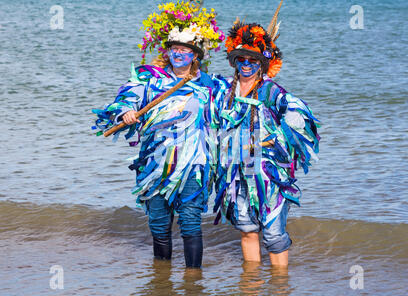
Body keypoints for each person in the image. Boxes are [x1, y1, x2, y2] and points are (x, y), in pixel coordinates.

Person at [92, 1, 226, 269]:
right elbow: (125, 100)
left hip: (194, 163)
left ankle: (193, 280)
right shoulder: (149, 79)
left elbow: (236, 103)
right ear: (168, 52)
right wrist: (126, 113)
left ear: (195, 55)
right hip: (155, 163)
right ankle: (161, 279)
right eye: (174, 49)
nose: (179, 54)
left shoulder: (210, 85)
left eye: (185, 50)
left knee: (190, 220)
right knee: (159, 222)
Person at [213, 9, 320, 266]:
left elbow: (299, 114)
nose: (247, 65)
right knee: (246, 227)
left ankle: (280, 287)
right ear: (234, 62)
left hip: (267, 171)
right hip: (236, 170)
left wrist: (274, 137)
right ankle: (251, 286)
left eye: (253, 61)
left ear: (262, 64)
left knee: (273, 233)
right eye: (241, 60)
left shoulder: (271, 90)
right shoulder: (224, 90)